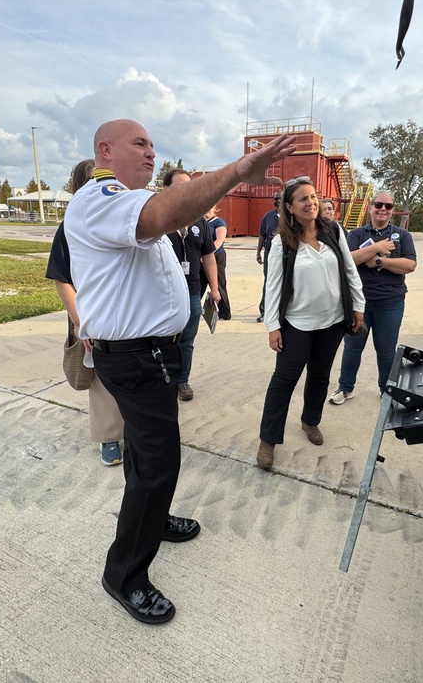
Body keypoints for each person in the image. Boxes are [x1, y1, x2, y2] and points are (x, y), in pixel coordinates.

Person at [64, 119, 294, 624]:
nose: (150, 153)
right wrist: (237, 171)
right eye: (138, 144)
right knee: (158, 462)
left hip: (153, 353)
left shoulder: (127, 198)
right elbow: (165, 213)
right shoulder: (102, 196)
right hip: (135, 355)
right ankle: (123, 574)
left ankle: (155, 517)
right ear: (105, 149)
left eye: (152, 144)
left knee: (148, 457)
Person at [256, 177, 364, 470]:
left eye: (314, 196)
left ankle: (310, 421)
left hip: (332, 321)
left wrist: (358, 305)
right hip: (297, 323)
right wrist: (273, 326)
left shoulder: (334, 230)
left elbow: (349, 270)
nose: (311, 202)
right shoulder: (281, 242)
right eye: (302, 199)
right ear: (289, 207)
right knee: (283, 382)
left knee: (320, 376)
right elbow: (273, 286)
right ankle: (268, 440)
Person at [45, 158, 123, 466]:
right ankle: (109, 437)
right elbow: (62, 280)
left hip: (122, 311)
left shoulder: (119, 220)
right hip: (91, 315)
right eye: (93, 181)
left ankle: (132, 430)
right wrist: (83, 325)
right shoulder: (70, 227)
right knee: (101, 380)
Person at [330, 191, 416, 405]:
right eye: (378, 204)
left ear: (392, 210)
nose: (383, 209)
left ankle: (386, 389)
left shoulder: (402, 236)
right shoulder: (356, 235)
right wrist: (376, 248)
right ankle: (345, 388)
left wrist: (379, 262)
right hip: (359, 303)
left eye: (388, 206)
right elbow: (347, 259)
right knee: (352, 348)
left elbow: (410, 265)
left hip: (391, 302)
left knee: (386, 351)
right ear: (370, 207)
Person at [162, 168, 220, 402]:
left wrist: (214, 288)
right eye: (179, 186)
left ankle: (182, 382)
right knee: (164, 342)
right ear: (167, 190)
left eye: (189, 186)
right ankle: (164, 381)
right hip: (164, 296)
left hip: (193, 295)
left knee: (187, 342)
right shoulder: (158, 219)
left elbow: (208, 256)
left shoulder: (199, 221)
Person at [255, 187, 283, 322]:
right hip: (270, 254)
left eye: (280, 198)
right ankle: (264, 311)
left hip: (287, 254)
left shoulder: (292, 216)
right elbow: (262, 235)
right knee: (269, 282)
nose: (277, 200)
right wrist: (258, 252)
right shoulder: (267, 216)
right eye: (275, 198)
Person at [204, 205, 231, 320]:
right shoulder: (199, 222)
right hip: (201, 258)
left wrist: (207, 252)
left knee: (218, 285)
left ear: (214, 208)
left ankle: (224, 313)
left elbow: (219, 240)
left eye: (209, 208)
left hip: (216, 257)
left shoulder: (218, 222)